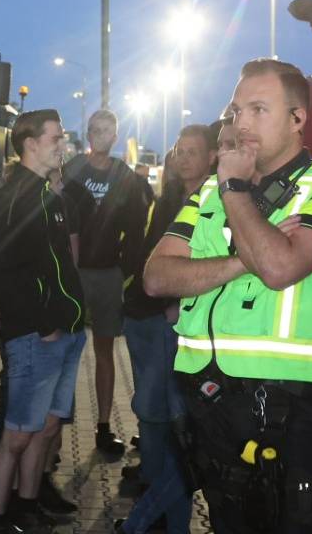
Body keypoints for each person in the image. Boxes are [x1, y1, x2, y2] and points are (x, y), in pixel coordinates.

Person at [146, 58, 312, 534]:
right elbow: (156, 277)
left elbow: (279, 269)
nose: (240, 124)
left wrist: (235, 190)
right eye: (234, 112)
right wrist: (238, 260)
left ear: (298, 119)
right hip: (213, 405)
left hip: (297, 410)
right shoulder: (207, 192)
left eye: (258, 109)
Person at [0, 109, 89, 534]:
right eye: (56, 138)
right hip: (36, 338)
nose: (63, 144)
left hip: (66, 333)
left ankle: (26, 509)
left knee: (44, 431)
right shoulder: (15, 198)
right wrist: (42, 323)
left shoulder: (50, 196)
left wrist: (73, 319)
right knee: (17, 436)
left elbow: (62, 265)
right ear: (30, 143)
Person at [116, 124, 216, 534]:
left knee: (174, 422)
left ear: (211, 157)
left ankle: (162, 518)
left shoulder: (217, 199)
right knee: (150, 414)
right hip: (143, 314)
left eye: (194, 150)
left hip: (175, 323)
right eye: (180, 150)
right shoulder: (168, 197)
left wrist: (175, 304)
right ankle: (155, 501)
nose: (183, 157)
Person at [63, 109, 148, 456]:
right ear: (88, 134)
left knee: (105, 352)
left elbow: (137, 226)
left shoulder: (124, 176)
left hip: (108, 274)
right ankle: (54, 431)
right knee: (65, 350)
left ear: (115, 137)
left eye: (106, 131)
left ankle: (102, 426)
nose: (100, 136)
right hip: (73, 273)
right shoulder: (70, 172)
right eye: (95, 130)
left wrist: (125, 267)